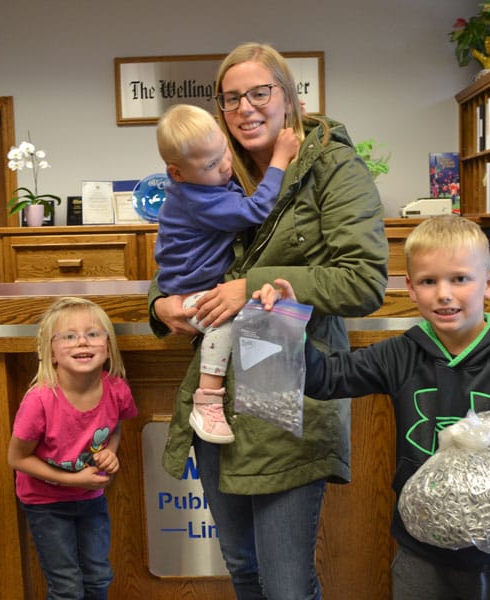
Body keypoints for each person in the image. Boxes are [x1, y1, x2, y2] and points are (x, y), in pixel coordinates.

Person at [148, 42, 388, 600]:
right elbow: (181, 254)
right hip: (217, 399)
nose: (245, 108)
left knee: (284, 585)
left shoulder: (332, 167)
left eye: (259, 92)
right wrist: (159, 304)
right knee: (241, 568)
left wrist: (251, 286)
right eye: (231, 98)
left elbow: (363, 280)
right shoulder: (214, 166)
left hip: (287, 385)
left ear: (288, 97)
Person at [256, 214, 490, 600]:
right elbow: (327, 379)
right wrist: (288, 326)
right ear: (411, 289)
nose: (444, 294)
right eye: (429, 281)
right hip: (420, 551)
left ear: (489, 283)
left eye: (460, 279)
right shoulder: (401, 354)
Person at [154, 103, 300, 445]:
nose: (224, 166)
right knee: (225, 323)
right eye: (210, 165)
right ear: (177, 173)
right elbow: (257, 209)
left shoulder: (199, 183)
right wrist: (279, 159)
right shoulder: (196, 198)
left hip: (192, 283)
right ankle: (207, 401)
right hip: (192, 292)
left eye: (223, 151)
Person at [8, 296, 138, 600]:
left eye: (92, 334)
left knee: (98, 577)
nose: (82, 342)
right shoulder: (39, 401)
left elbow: (115, 426)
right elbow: (17, 458)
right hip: (46, 503)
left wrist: (110, 451)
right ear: (51, 353)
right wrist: (72, 480)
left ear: (108, 348)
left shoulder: (117, 390)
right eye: (68, 336)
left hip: (91, 500)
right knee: (66, 586)